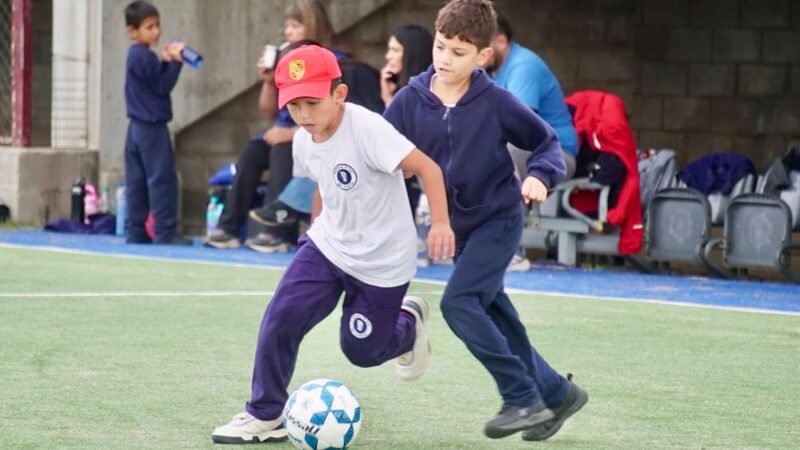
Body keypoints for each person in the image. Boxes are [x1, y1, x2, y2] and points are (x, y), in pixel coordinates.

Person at [211, 44, 455, 444]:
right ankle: (266, 412)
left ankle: (407, 325)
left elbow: (428, 168)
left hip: (383, 262)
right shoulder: (304, 140)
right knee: (280, 319)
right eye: (294, 106)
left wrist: (440, 224)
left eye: (312, 102)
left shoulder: (368, 129)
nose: (304, 115)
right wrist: (315, 229)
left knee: (361, 350)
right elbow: (323, 185)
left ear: (338, 95)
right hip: (328, 248)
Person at [383, 0, 587, 441]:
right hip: (460, 231)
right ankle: (556, 393)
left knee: (459, 304)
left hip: (498, 221)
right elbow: (378, 147)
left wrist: (539, 176)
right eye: (440, 47)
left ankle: (521, 398)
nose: (445, 59)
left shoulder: (496, 101)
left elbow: (546, 143)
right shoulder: (410, 100)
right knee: (497, 319)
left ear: (483, 56)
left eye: (459, 52)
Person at [245, 25, 433, 253]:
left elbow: (393, 137)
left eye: (394, 50)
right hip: (370, 166)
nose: (387, 56)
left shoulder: (425, 93)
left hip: (396, 171)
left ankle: (288, 209)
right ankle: (302, 220)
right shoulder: (389, 87)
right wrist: (386, 96)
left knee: (337, 147)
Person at [203, 0, 338, 249]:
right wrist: (267, 81)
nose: (288, 32)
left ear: (314, 26)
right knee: (253, 151)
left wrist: (289, 133)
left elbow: (333, 114)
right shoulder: (290, 63)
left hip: (311, 137)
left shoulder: (332, 61)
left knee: (282, 149)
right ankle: (229, 228)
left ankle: (277, 232)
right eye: (286, 26)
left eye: (295, 25)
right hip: (285, 131)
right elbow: (268, 110)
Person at [123, 1, 190, 245]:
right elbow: (162, 87)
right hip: (151, 128)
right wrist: (175, 62)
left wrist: (163, 62)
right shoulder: (142, 56)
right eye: (149, 27)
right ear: (133, 31)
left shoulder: (138, 56)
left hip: (136, 128)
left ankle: (136, 230)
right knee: (162, 179)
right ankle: (165, 231)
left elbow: (153, 82)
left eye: (157, 26)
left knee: (137, 181)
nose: (156, 32)